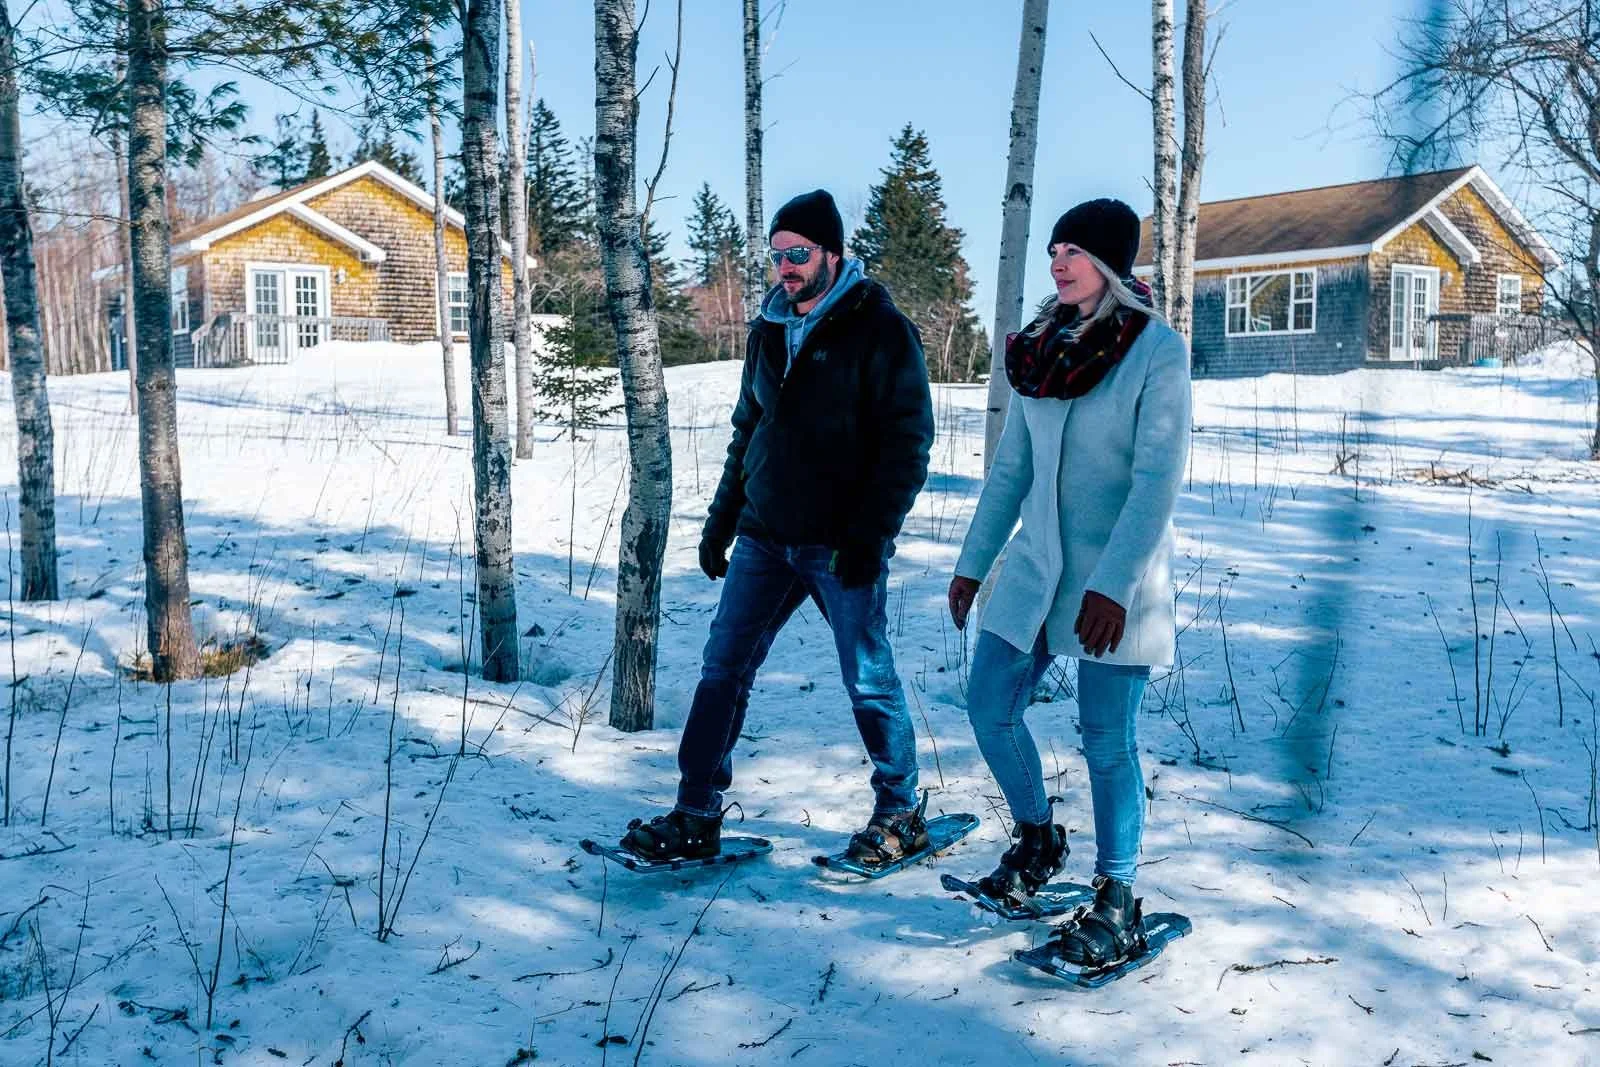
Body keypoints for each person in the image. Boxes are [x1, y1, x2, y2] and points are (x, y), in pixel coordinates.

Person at [621, 188, 936, 867]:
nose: (785, 267)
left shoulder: (880, 328)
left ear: (833, 254)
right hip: (765, 535)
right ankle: (696, 810)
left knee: (867, 677)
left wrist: (870, 535)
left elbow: (907, 444)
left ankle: (900, 810)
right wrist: (721, 521)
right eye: (777, 255)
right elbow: (749, 430)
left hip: (841, 542)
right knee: (723, 668)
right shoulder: (768, 329)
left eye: (798, 254)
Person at [949, 198, 1191, 967]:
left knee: (1107, 740)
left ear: (1109, 265)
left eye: (1073, 250)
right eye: (1053, 250)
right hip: (1038, 567)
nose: (1057, 262)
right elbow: (1011, 471)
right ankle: (1037, 839)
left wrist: (1114, 584)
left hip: (1117, 577)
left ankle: (1117, 898)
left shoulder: (1156, 351)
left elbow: (1156, 480)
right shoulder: (1039, 352)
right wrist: (972, 562)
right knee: (989, 705)